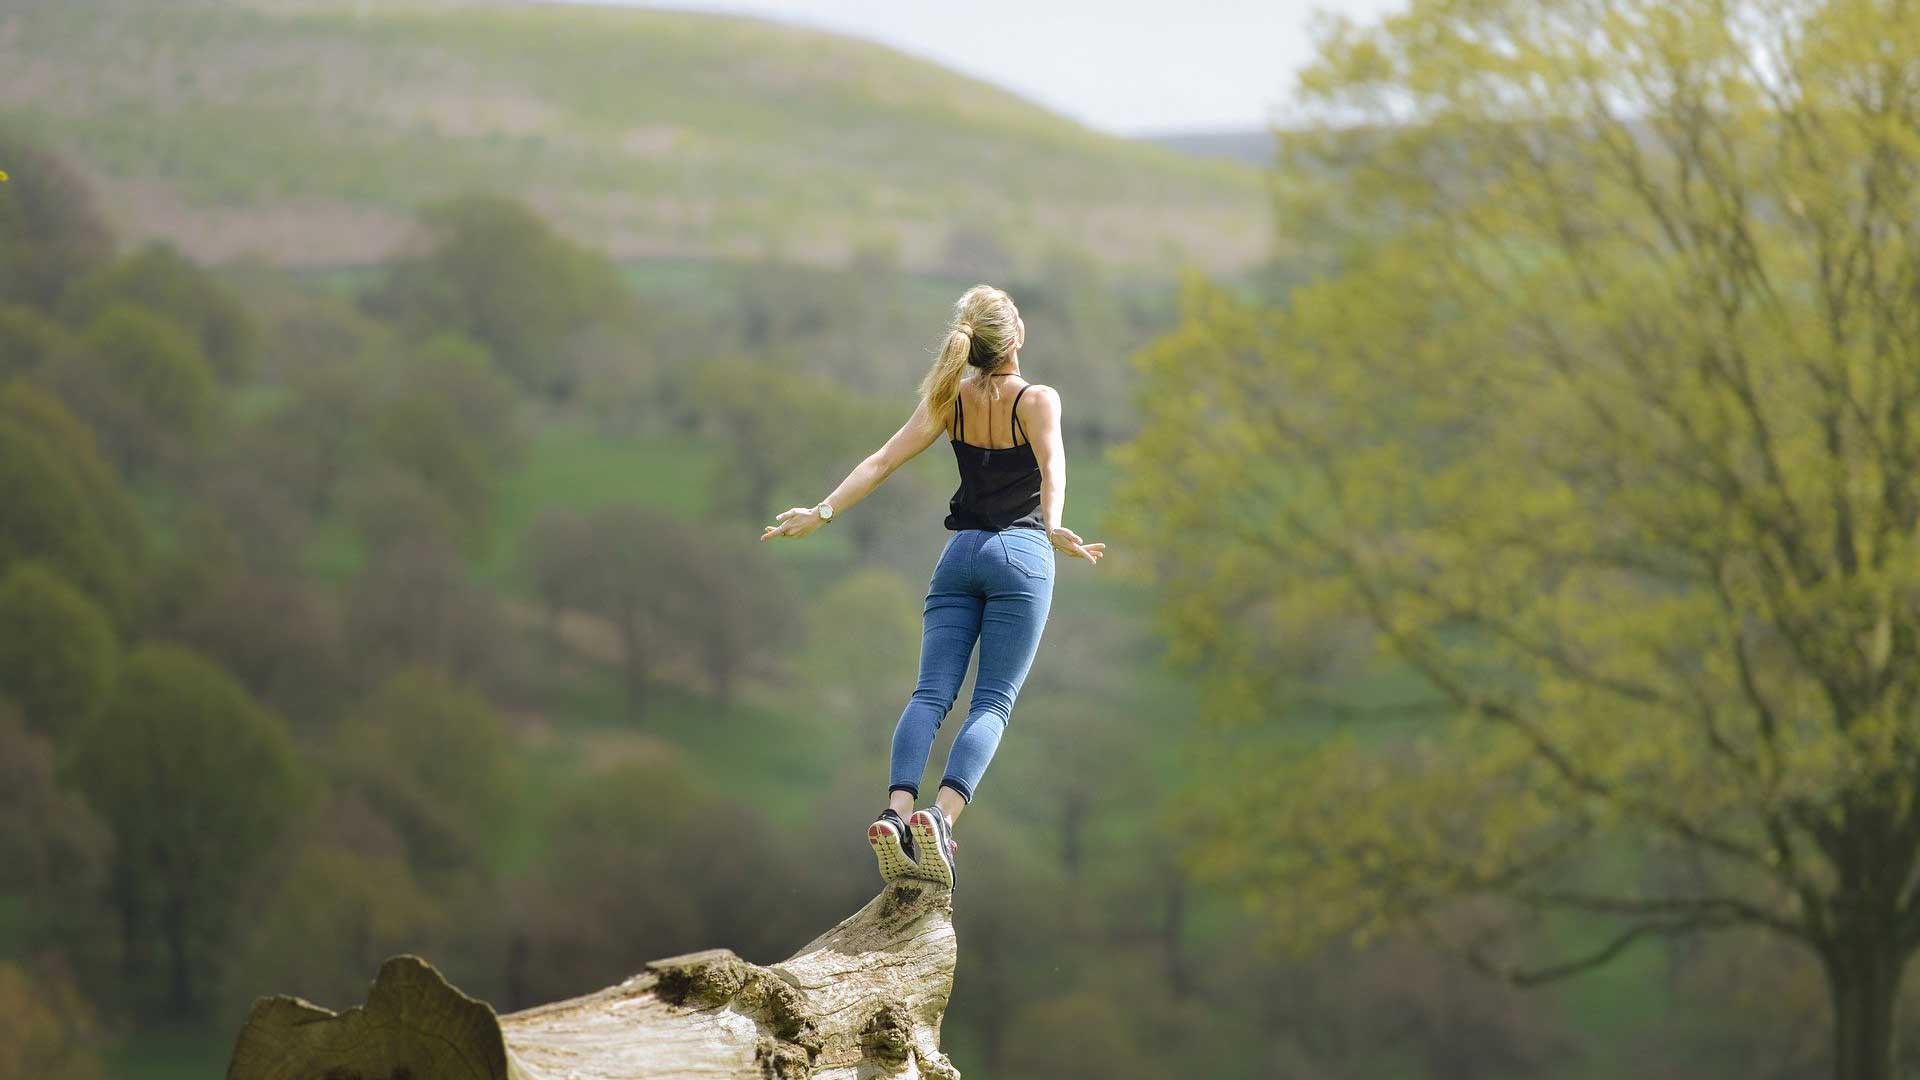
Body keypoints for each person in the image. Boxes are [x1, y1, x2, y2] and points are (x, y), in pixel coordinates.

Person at [760, 284, 1104, 890]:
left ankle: (894, 813)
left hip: (959, 557)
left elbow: (881, 461)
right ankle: (939, 821)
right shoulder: (1038, 399)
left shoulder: (952, 400)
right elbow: (1053, 464)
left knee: (929, 696)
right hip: (1020, 556)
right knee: (992, 702)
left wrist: (822, 513)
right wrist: (1052, 527)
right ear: (1015, 338)